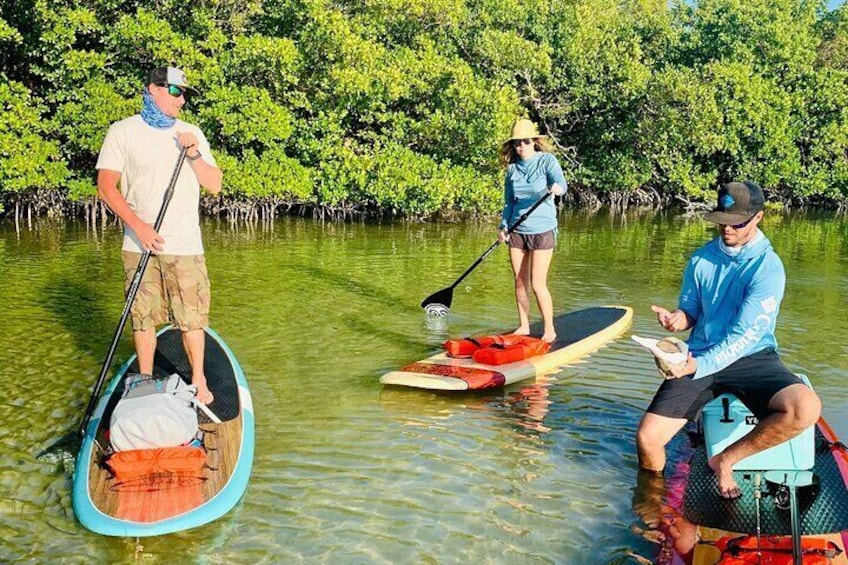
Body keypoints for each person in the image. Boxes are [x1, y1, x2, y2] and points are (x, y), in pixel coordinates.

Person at [635, 181, 821, 498]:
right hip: (700, 355)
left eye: (737, 222)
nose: (727, 229)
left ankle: (727, 459)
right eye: (723, 221)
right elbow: (691, 310)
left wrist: (697, 364)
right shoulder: (701, 260)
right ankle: (654, 501)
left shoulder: (768, 268)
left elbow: (743, 337)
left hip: (751, 357)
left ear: (758, 218)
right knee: (648, 438)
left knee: (805, 408)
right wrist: (676, 320)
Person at [96, 66, 223, 405]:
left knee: (192, 317)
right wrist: (138, 226)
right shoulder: (122, 131)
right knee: (143, 317)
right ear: (154, 88)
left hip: (185, 245)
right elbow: (106, 186)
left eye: (185, 94)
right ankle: (146, 380)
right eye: (176, 92)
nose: (182, 100)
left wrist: (194, 153)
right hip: (139, 246)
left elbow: (214, 184)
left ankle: (198, 380)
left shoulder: (190, 132)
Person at [498, 118, 567, 343]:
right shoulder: (512, 170)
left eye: (526, 142)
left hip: (542, 230)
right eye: (517, 143)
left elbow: (561, 184)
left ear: (534, 142)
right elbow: (509, 202)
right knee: (519, 281)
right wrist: (504, 227)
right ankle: (524, 326)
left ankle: (549, 329)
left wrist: (557, 189)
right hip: (517, 230)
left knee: (538, 284)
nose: (521, 147)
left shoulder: (547, 161)